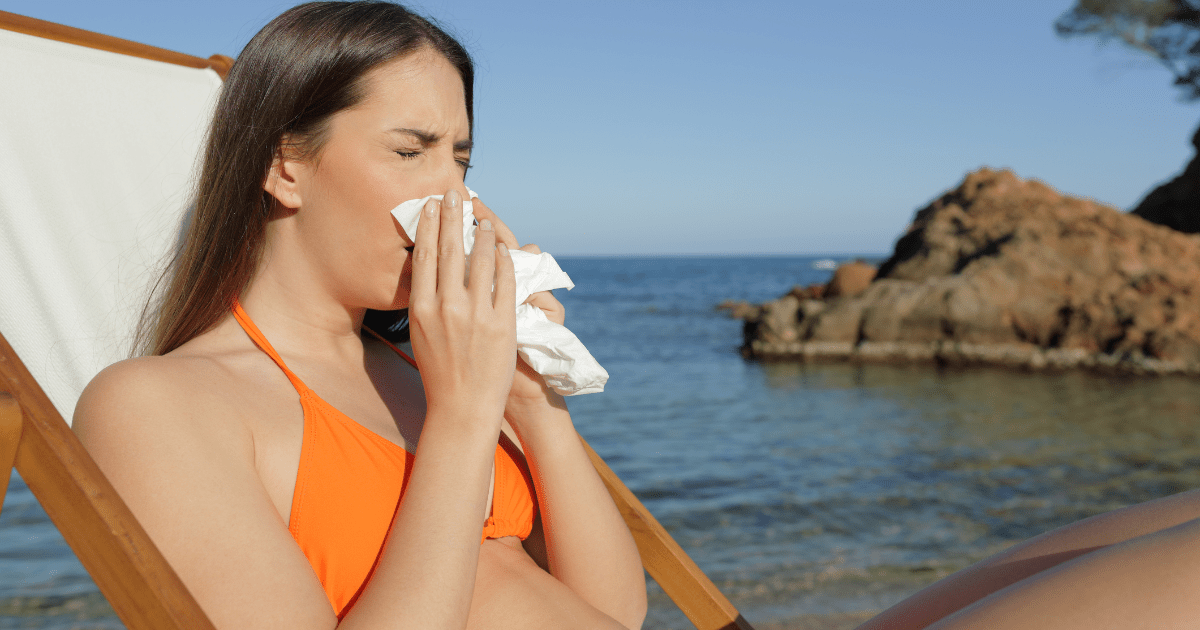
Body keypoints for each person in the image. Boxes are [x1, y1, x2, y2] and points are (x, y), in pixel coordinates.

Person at [71, 2, 646, 629]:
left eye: (460, 159)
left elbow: (613, 613)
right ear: (282, 166)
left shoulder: (433, 368)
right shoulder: (154, 404)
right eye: (409, 151)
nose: (456, 197)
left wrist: (533, 400)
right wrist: (461, 418)